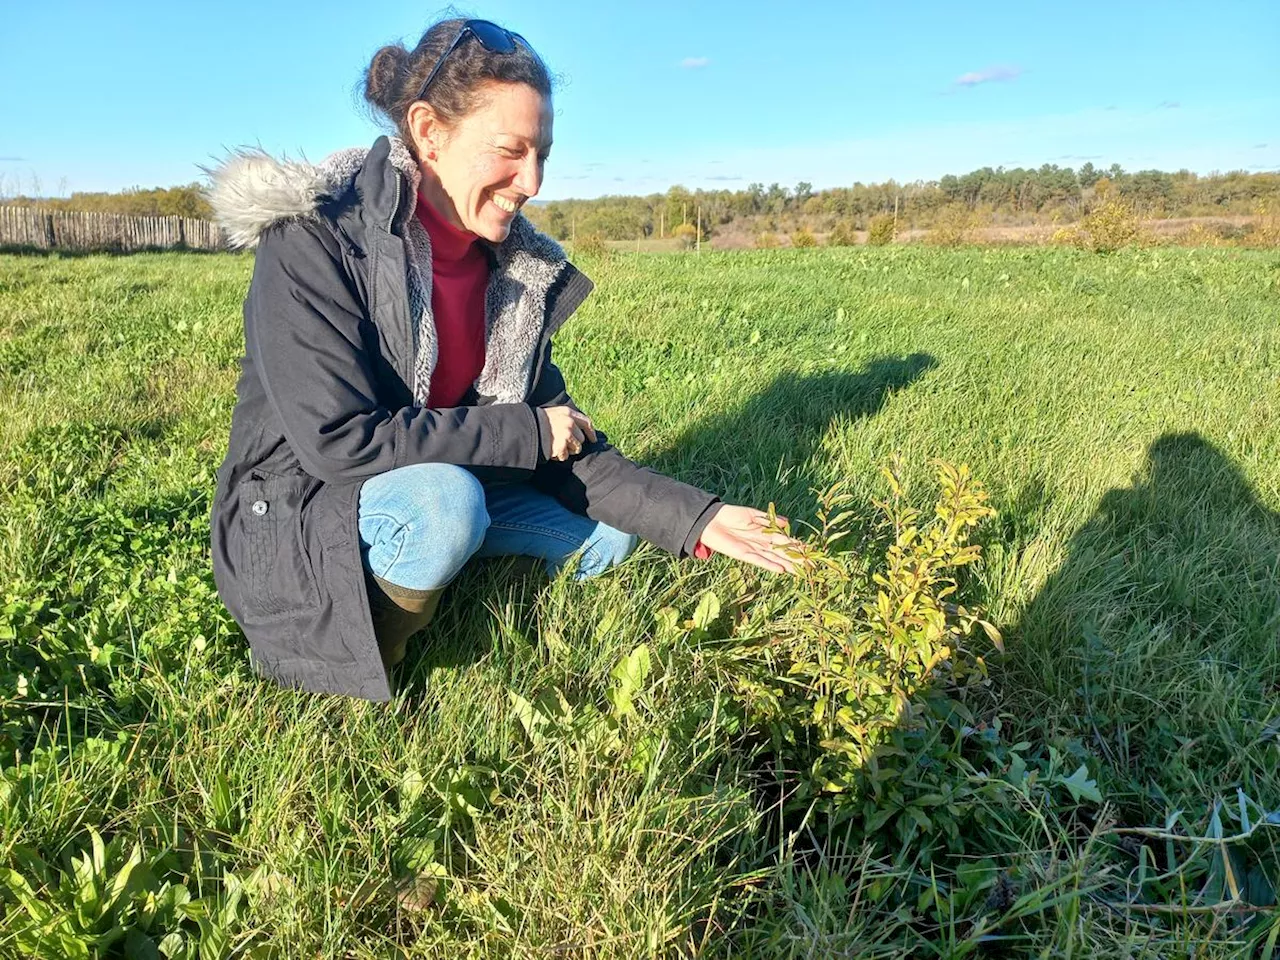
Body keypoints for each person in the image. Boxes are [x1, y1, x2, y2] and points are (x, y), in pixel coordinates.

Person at [207, 18, 800, 701]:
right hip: (302, 503)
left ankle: (435, 562)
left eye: (543, 153)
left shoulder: (514, 269)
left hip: (441, 476)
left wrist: (699, 519)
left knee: (611, 539)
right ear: (430, 132)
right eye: (511, 151)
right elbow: (338, 442)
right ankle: (361, 665)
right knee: (444, 505)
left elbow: (558, 435)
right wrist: (523, 432)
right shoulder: (314, 243)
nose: (533, 180)